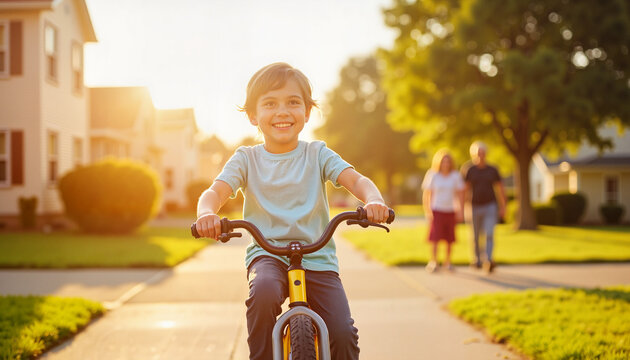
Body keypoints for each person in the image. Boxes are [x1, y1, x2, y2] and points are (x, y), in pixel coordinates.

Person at [194, 62, 390, 360]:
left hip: (318, 258)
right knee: (263, 293)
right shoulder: (246, 159)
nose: (282, 111)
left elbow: (357, 180)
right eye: (270, 103)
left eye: (293, 102)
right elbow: (215, 192)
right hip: (267, 255)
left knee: (342, 331)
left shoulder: (318, 153)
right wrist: (206, 213)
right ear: (253, 116)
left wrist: (373, 200)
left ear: (307, 112)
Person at [461, 141, 506, 273]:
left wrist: (503, 206)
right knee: (475, 235)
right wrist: (463, 207)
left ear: (486, 154)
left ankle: (489, 260)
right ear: (473, 154)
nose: (480, 155)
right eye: (478, 153)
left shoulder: (493, 170)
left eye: (483, 153)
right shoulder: (469, 169)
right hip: (473, 206)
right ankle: (477, 259)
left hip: (490, 206)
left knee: (489, 233)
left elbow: (500, 189)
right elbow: (465, 190)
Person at [421, 149, 465, 273]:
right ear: (439, 162)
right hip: (437, 210)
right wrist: (427, 210)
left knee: (449, 238)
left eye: (448, 162)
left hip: (450, 210)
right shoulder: (433, 175)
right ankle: (434, 261)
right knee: (435, 237)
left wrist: (460, 210)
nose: (445, 164)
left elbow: (460, 194)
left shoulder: (455, 176)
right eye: (443, 162)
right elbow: (427, 194)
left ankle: (448, 262)